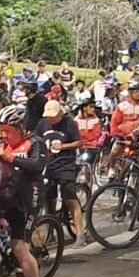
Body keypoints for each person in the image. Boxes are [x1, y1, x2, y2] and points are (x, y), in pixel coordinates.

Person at [0, 104, 50, 277]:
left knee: (20, 247)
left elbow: (37, 166)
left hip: (29, 198)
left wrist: (11, 158)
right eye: (2, 129)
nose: (4, 134)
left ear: (20, 126)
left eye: (8, 130)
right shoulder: (4, 144)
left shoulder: (35, 143)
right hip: (7, 195)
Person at [36, 100, 87, 249]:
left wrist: (63, 146)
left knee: (70, 198)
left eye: (54, 116)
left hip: (65, 165)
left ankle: (80, 234)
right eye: (49, 117)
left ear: (60, 113)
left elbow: (79, 142)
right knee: (48, 199)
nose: (51, 120)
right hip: (48, 166)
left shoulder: (70, 123)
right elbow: (37, 140)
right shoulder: (42, 124)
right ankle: (51, 230)